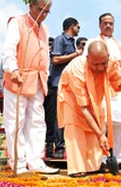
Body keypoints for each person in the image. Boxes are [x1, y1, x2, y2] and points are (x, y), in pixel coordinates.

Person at [57, 41, 121, 177]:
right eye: (96, 64)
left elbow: (118, 81)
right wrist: (101, 135)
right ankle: (77, 167)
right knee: (77, 130)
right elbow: (83, 107)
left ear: (107, 56)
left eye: (103, 63)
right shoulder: (76, 70)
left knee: (97, 127)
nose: (101, 68)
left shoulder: (111, 63)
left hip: (96, 98)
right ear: (88, 58)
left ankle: (93, 165)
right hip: (73, 100)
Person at [2, 0, 59, 174]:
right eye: (40, 10)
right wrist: (13, 69)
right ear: (30, 6)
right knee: (15, 122)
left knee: (37, 121)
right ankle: (17, 162)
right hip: (18, 78)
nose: (43, 15)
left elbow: (45, 55)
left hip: (38, 81)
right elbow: (8, 49)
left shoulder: (45, 29)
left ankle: (35, 161)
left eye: (47, 12)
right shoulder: (17, 22)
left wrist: (46, 76)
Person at [84, 12, 121, 172]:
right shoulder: (93, 42)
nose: (108, 26)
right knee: (102, 122)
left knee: (119, 124)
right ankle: (103, 158)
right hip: (100, 87)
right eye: (105, 23)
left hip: (118, 88)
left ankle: (119, 157)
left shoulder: (119, 44)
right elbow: (86, 61)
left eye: (111, 23)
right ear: (99, 25)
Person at [49, 17, 82, 159]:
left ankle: (68, 147)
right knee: (59, 117)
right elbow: (55, 59)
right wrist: (75, 54)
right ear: (72, 26)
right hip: (59, 83)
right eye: (78, 27)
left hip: (70, 83)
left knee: (69, 116)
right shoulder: (60, 40)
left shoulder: (72, 42)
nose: (79, 30)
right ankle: (59, 147)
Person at [43, 36, 55, 158]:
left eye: (52, 44)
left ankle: (49, 148)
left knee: (50, 120)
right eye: (48, 44)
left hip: (51, 89)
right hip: (39, 88)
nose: (50, 46)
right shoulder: (39, 56)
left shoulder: (54, 59)